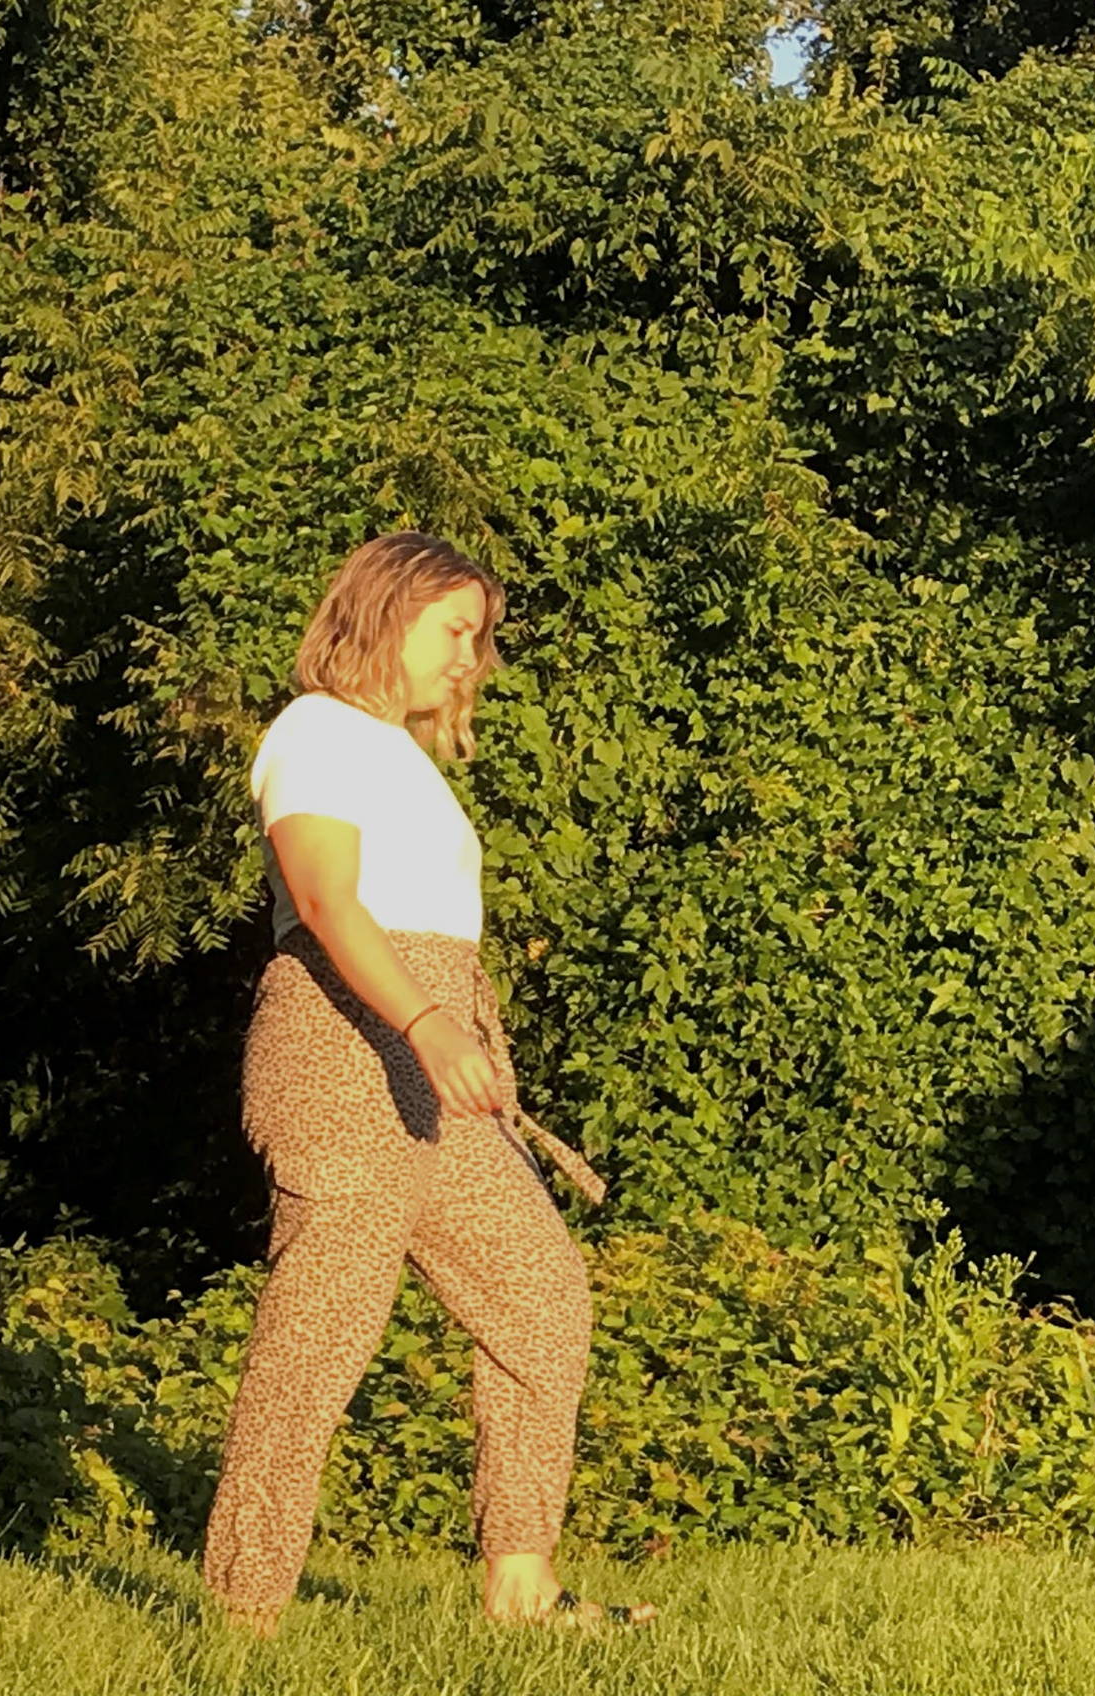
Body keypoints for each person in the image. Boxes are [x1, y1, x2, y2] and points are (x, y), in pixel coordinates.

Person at [199, 531, 648, 1638]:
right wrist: (428, 1018)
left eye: (480, 636)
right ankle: (244, 1613)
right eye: (455, 629)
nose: (471, 656)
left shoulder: (400, 756)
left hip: (431, 1051)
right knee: (322, 1332)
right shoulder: (318, 733)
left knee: (540, 1296)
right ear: (383, 613)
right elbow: (328, 898)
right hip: (341, 1048)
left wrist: (461, 1031)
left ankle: (521, 1590)